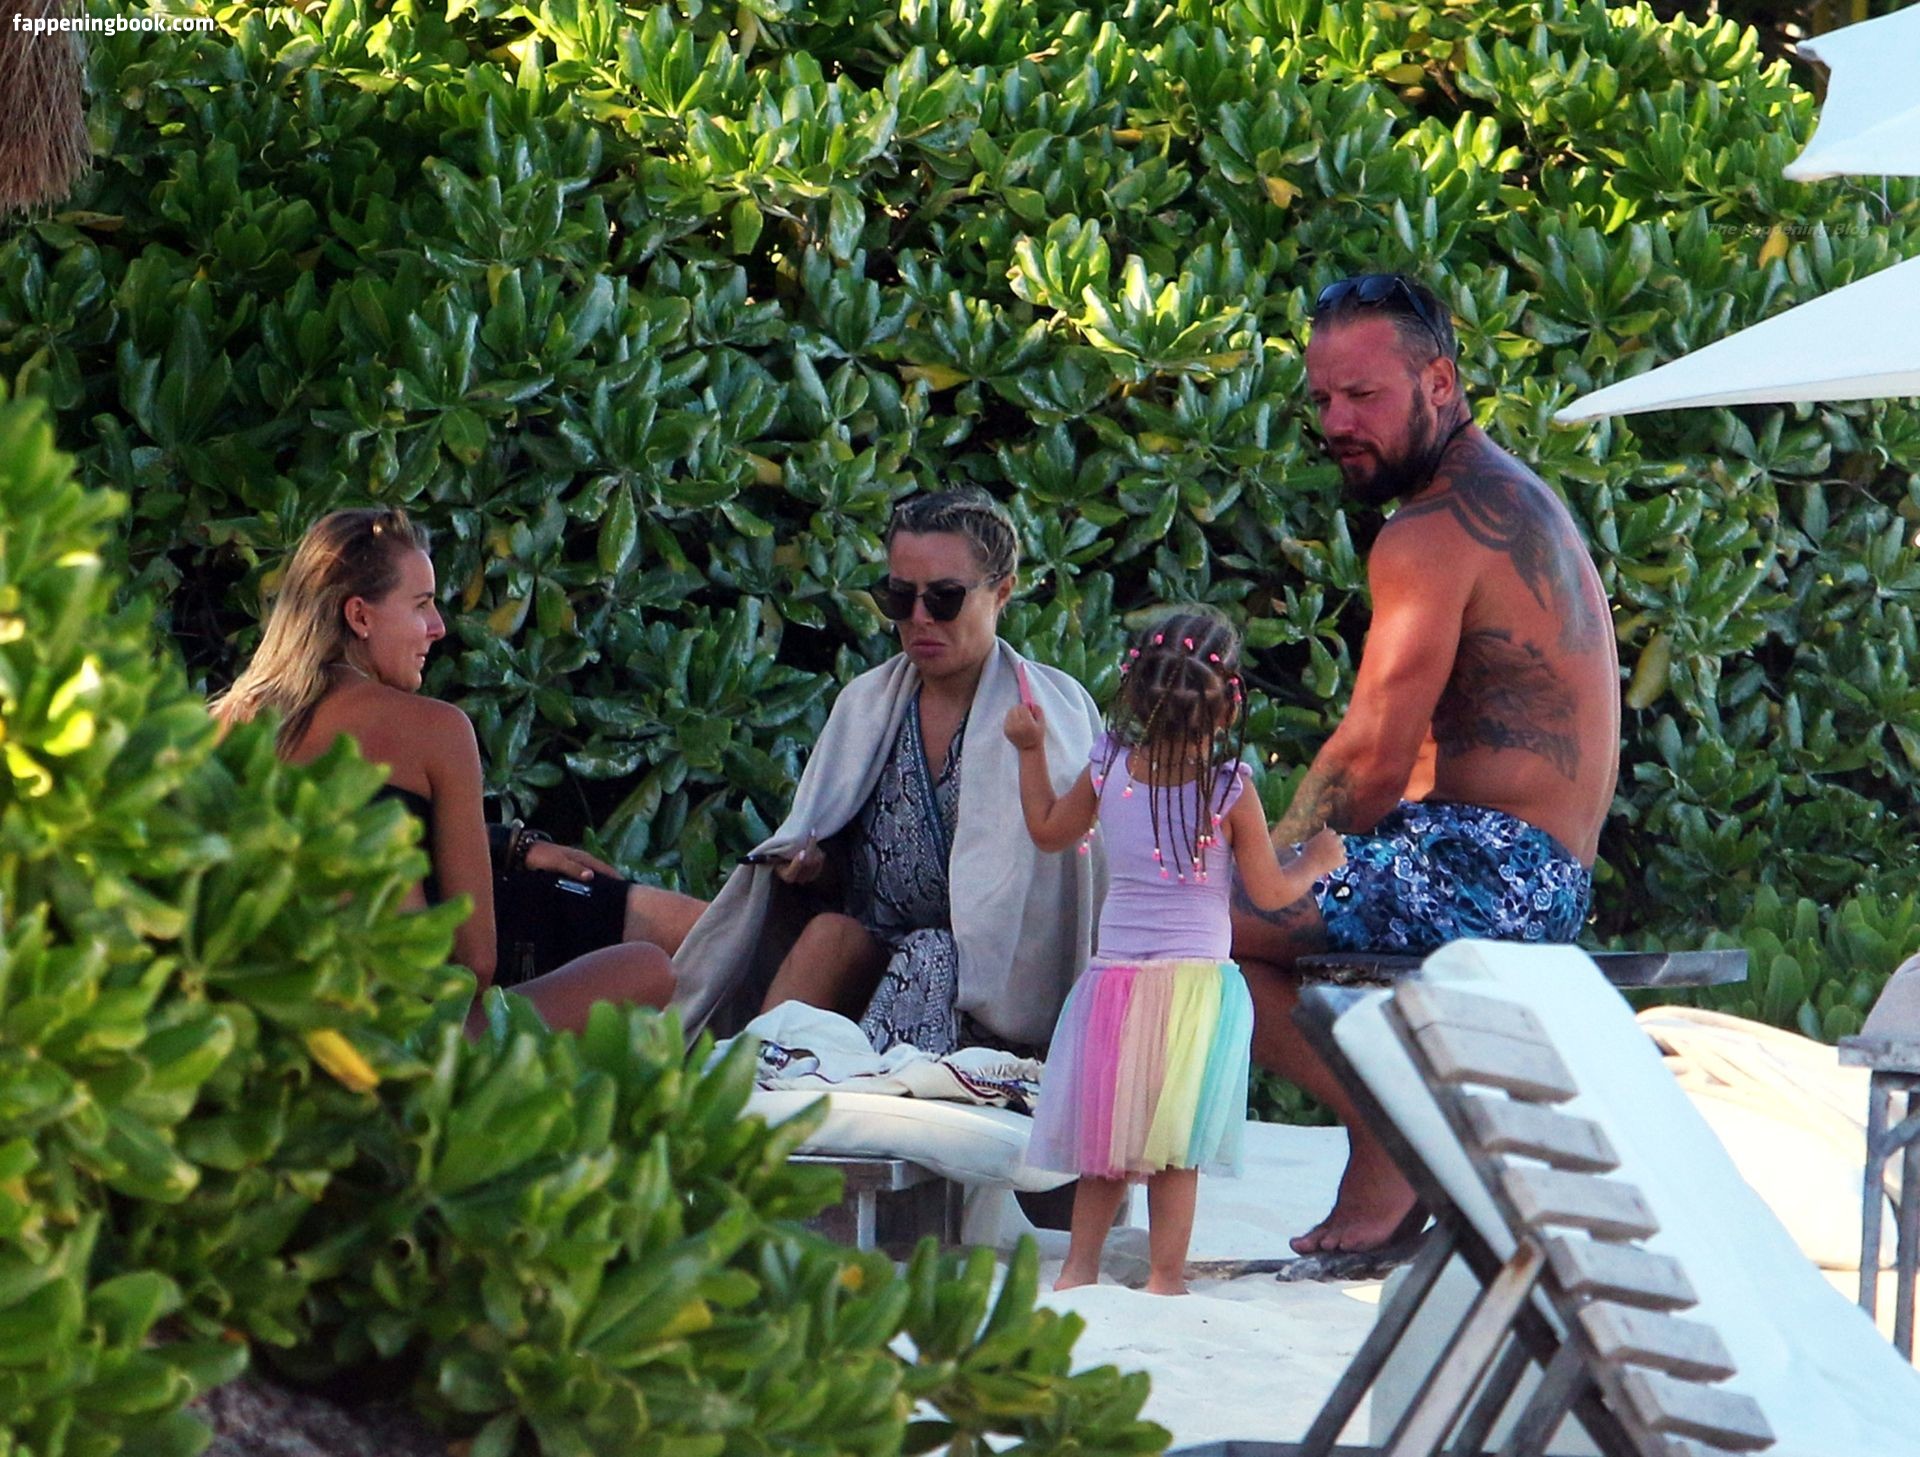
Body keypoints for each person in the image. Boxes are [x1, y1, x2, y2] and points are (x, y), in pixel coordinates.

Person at [1231, 273, 1621, 1257]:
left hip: (1488, 870)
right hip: (1535, 873)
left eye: (1363, 395)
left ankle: (1392, 1131)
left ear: (1439, 382)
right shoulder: (1510, 493)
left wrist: (1264, 866)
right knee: (1228, 901)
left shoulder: (1433, 530)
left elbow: (1370, 758)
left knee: (1192, 924)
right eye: (1323, 398)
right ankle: (1389, 1140)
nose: (1336, 421)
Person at [668, 488, 1106, 1056]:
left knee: (931, 954)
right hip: (872, 963)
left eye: (945, 598)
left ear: (1002, 592)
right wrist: (813, 867)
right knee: (831, 936)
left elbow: (1065, 900)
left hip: (996, 999)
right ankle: (755, 1085)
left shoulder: (1055, 712)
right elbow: (848, 881)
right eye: (899, 597)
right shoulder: (867, 704)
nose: (919, 618)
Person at [209, 508, 675, 1031]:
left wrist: (503, 845)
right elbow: (474, 965)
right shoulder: (435, 730)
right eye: (422, 605)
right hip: (400, 1039)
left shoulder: (221, 726)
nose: (438, 627)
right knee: (647, 967)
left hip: (261, 1028)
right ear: (360, 616)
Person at [1005, 610, 1346, 1294]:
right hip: (1196, 990)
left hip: (1114, 984)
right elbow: (1268, 891)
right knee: (1175, 1148)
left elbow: (1046, 830)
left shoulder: (1108, 765)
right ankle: (1165, 1278)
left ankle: (1078, 1268)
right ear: (1228, 708)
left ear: (1134, 692)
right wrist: (1315, 861)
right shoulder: (1230, 788)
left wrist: (1030, 748)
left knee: (1106, 1144)